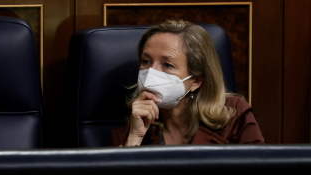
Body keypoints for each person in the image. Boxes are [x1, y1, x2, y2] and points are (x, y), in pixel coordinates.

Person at [110, 19, 265, 146]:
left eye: (167, 65)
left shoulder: (235, 114)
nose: (151, 72)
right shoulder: (128, 132)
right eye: (146, 61)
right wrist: (134, 139)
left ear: (196, 81)